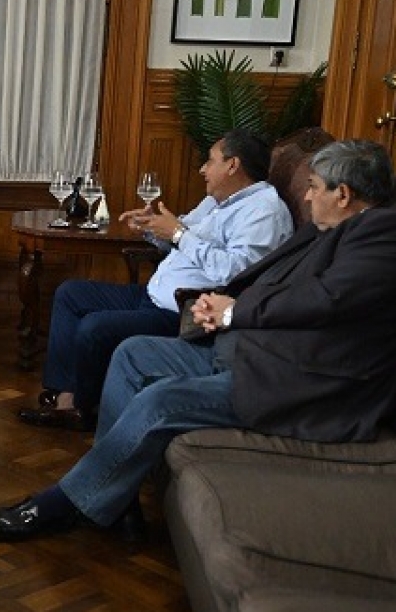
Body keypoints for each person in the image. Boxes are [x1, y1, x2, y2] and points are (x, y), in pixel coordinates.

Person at [0, 140, 396, 542]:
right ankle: (114, 498)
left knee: (161, 401)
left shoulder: (390, 236)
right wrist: (219, 303)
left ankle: (65, 503)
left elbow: (324, 299)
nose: (307, 196)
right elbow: (271, 278)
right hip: (255, 351)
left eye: (314, 187)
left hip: (306, 385)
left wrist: (233, 311)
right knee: (132, 353)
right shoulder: (334, 227)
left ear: (344, 194)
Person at [21, 130, 292, 432]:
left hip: (183, 312)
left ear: (233, 165)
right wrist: (151, 228)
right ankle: (65, 396)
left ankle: (83, 408)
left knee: (95, 327)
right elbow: (179, 237)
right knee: (71, 293)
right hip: (152, 295)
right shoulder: (216, 202)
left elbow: (234, 271)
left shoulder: (263, 211)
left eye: (210, 161)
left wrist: (177, 233)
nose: (203, 169)